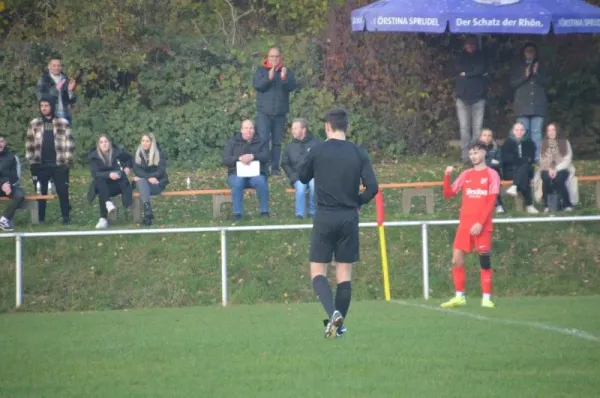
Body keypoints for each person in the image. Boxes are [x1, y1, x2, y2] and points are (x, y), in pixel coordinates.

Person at [298, 108, 379, 339]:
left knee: (317, 271)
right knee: (344, 274)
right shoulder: (358, 152)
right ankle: (338, 327)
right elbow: (373, 188)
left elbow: (302, 177)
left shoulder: (318, 150)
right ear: (347, 127)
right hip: (348, 217)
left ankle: (333, 313)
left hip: (325, 216)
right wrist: (357, 202)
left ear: (327, 127)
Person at [441, 140, 500, 309]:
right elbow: (448, 193)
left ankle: (486, 298)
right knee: (456, 260)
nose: (473, 156)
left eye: (476, 152)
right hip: (465, 226)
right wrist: (447, 176)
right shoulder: (466, 174)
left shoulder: (492, 175)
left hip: (482, 226)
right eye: (471, 153)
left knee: (484, 261)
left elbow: (491, 201)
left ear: (484, 153)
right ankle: (459, 297)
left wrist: (481, 223)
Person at [26, 96, 74, 224]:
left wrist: (67, 161)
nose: (44, 108)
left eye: (46, 105)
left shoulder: (63, 123)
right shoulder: (34, 123)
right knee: (41, 192)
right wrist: (31, 160)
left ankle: (66, 218)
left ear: (51, 106)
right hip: (39, 164)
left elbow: (69, 143)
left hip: (59, 163)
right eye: (42, 106)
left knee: (62, 191)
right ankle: (40, 219)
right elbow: (29, 143)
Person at [252, 46, 297, 175]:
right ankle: (264, 168)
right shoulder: (261, 70)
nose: (274, 59)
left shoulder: (286, 71)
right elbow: (257, 86)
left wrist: (284, 78)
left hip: (280, 113)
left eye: (277, 56)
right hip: (264, 113)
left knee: (277, 142)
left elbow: (292, 86)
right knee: (264, 140)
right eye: (272, 56)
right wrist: (268, 78)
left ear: (280, 57)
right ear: (268, 57)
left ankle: (275, 168)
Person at [222, 119, 270, 221]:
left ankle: (264, 212)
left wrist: (253, 156)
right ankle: (237, 213)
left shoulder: (261, 142)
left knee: (261, 181)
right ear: (241, 130)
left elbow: (266, 156)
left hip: (255, 175)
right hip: (236, 174)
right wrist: (239, 158)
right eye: (246, 128)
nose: (249, 130)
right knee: (238, 182)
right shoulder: (232, 142)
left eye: (251, 128)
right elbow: (225, 160)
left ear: (254, 130)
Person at [510, 42, 548, 162]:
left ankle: (537, 158)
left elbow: (547, 83)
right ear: (524, 53)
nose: (530, 53)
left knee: (536, 133)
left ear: (535, 53)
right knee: (522, 133)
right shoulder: (517, 66)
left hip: (538, 105)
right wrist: (525, 76)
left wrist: (536, 74)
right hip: (522, 105)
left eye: (532, 51)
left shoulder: (541, 66)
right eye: (528, 51)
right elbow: (513, 84)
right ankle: (524, 157)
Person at [87, 135, 133, 229]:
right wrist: (109, 174)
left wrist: (127, 166)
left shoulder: (117, 152)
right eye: (101, 142)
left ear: (110, 143)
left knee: (102, 190)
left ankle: (103, 218)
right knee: (100, 182)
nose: (104, 144)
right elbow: (95, 173)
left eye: (106, 141)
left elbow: (130, 158)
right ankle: (107, 206)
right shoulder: (94, 157)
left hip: (117, 184)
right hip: (103, 185)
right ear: (98, 145)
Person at [455, 35, 488, 163]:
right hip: (462, 98)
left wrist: (466, 74)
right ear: (464, 45)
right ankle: (465, 157)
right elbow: (457, 69)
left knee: (477, 130)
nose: (471, 46)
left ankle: (476, 156)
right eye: (468, 44)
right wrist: (475, 73)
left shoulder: (481, 57)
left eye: (473, 44)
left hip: (478, 98)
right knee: (464, 129)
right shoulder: (459, 56)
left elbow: (481, 69)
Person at [281, 118, 320, 219]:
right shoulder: (289, 147)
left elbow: (321, 160)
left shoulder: (316, 143)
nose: (292, 131)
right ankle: (299, 215)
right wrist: (293, 176)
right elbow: (284, 163)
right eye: (292, 128)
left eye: (295, 128)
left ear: (303, 130)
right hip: (297, 176)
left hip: (313, 175)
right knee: (301, 188)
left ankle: (312, 212)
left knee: (314, 185)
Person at [534, 123, 578, 212]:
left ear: (557, 131)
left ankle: (567, 204)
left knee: (559, 180)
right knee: (546, 179)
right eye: (549, 130)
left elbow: (567, 160)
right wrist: (550, 169)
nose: (551, 132)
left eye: (553, 130)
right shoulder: (544, 143)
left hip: (562, 169)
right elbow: (542, 160)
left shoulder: (565, 142)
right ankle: (547, 205)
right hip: (547, 169)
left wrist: (556, 169)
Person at [501, 122, 539, 214]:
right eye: (517, 130)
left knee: (524, 168)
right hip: (510, 171)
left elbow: (531, 159)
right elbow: (507, 159)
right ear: (513, 131)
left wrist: (518, 160)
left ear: (524, 132)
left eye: (521, 130)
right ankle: (529, 205)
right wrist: (522, 160)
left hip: (526, 170)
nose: (519, 132)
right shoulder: (507, 143)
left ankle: (515, 186)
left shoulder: (530, 143)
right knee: (524, 175)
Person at [132, 133, 169, 226]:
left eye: (147, 141)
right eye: (143, 141)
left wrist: (149, 177)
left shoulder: (159, 154)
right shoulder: (137, 153)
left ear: (152, 142)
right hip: (144, 182)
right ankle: (148, 212)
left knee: (140, 181)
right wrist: (148, 178)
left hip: (156, 183)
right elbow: (137, 170)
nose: (144, 143)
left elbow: (161, 171)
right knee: (141, 181)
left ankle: (148, 214)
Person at [35, 56, 77, 124]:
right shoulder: (43, 80)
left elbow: (73, 101)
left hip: (65, 114)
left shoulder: (65, 79)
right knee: (50, 134)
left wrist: (70, 91)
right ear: (49, 67)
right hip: (50, 115)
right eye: (54, 66)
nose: (56, 68)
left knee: (65, 134)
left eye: (59, 65)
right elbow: (40, 98)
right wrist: (55, 89)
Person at [0, 136, 25, 231]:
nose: (0, 144)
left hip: (9, 186)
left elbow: (15, 176)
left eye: (1, 141)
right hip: (2, 185)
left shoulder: (11, 157)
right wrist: (2, 184)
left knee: (20, 194)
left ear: (5, 143)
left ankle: (4, 219)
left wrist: (9, 184)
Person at [478, 128, 504, 213]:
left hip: (495, 173)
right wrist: (491, 162)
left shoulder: (496, 148)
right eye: (484, 135)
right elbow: (477, 162)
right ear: (480, 137)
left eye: (489, 135)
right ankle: (498, 205)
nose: (487, 137)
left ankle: (496, 205)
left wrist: (488, 163)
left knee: (491, 179)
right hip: (480, 174)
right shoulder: (476, 148)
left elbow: (499, 163)